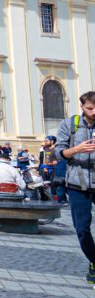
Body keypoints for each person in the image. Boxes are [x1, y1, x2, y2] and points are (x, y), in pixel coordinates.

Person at [53, 92, 95, 285]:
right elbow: (59, 153)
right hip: (78, 183)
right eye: (90, 108)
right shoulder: (70, 125)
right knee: (82, 229)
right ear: (82, 107)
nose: (93, 112)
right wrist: (78, 149)